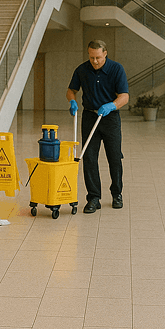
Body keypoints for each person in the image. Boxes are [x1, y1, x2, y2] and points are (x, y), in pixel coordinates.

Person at [67, 40, 129, 213]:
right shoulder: (82, 70)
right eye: (92, 57)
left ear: (105, 53)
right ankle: (94, 198)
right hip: (89, 116)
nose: (95, 61)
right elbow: (71, 90)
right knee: (89, 158)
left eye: (98, 57)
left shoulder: (116, 69)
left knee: (114, 157)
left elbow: (124, 96)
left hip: (110, 118)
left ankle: (117, 194)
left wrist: (111, 105)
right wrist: (72, 100)